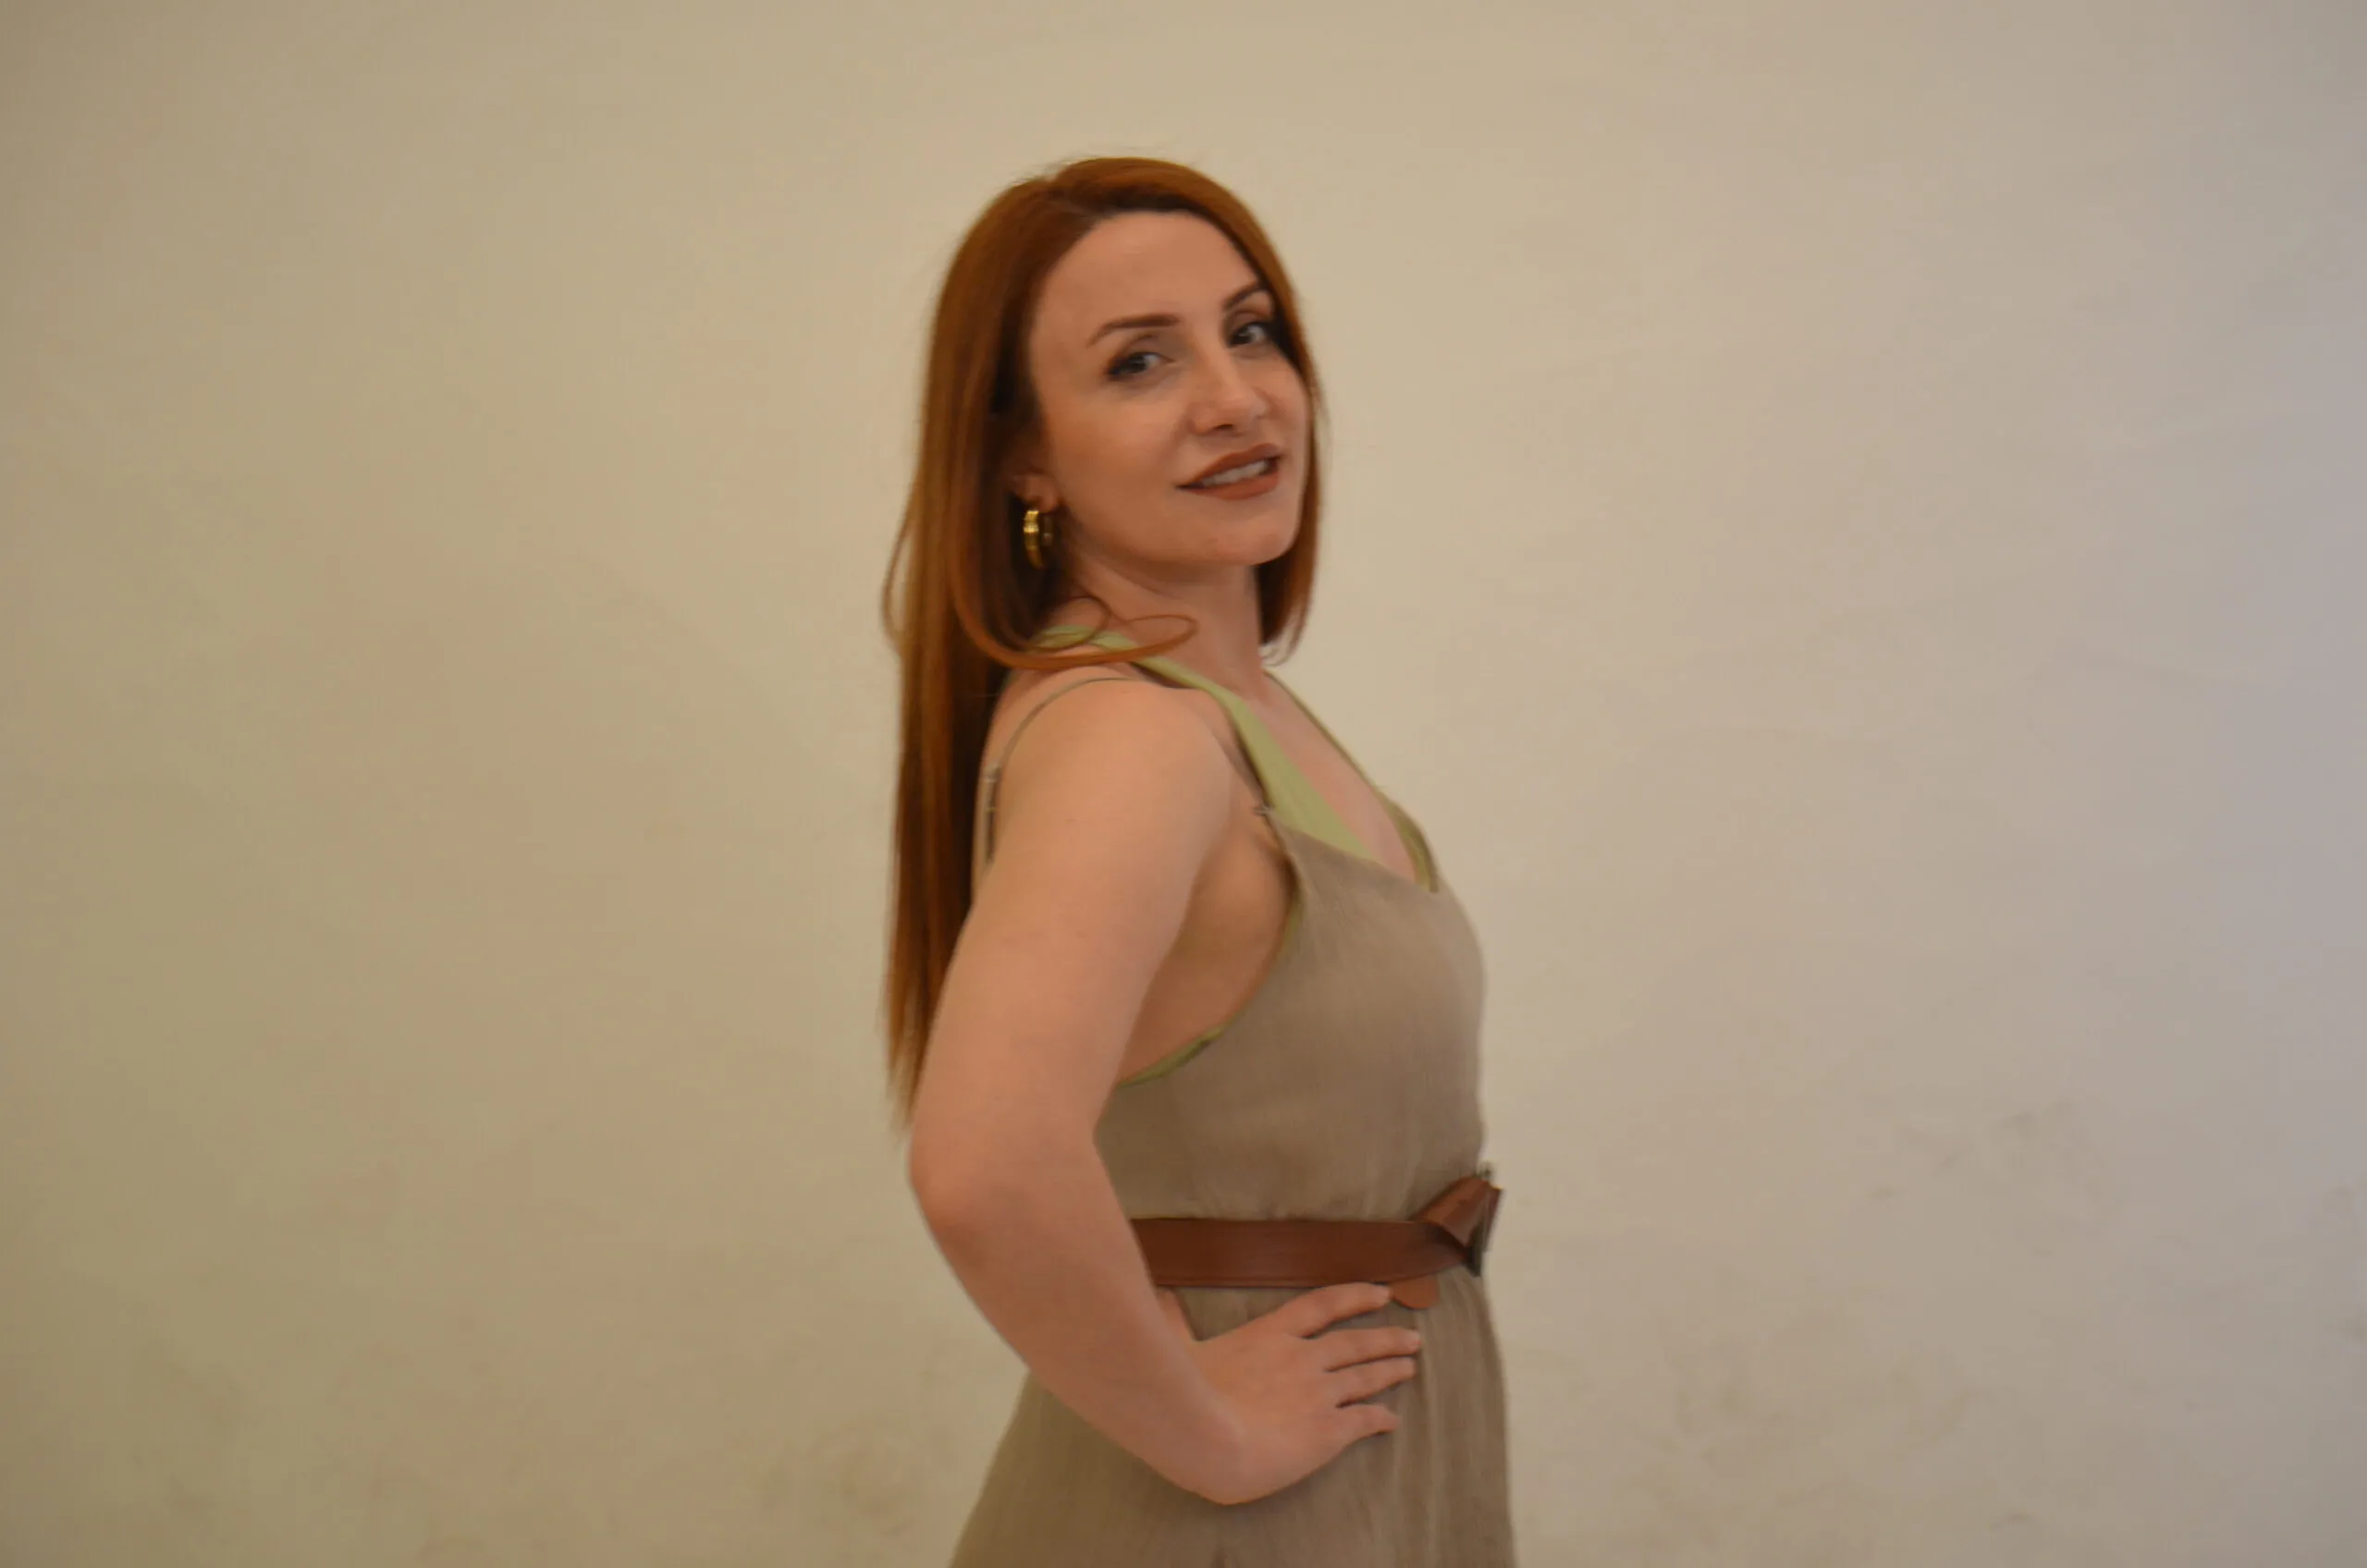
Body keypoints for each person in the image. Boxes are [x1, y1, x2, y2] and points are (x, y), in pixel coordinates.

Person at [880, 155, 1513, 1566]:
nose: (1234, 397)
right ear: (1023, 456)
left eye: (1250, 330)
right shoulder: (1134, 738)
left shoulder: (1242, 718)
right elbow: (980, 1166)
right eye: (1140, 362)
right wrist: (1216, 1438)